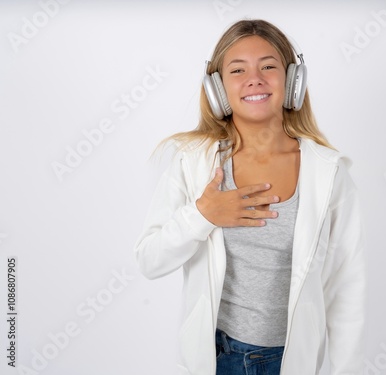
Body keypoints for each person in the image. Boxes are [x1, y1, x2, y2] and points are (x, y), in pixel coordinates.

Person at [134, 19, 366, 375]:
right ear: (217, 89)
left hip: (290, 360)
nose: (254, 79)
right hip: (216, 357)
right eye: (237, 70)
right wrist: (203, 214)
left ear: (292, 80)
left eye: (268, 66)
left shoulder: (329, 172)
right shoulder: (193, 163)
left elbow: (346, 287)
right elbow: (151, 260)